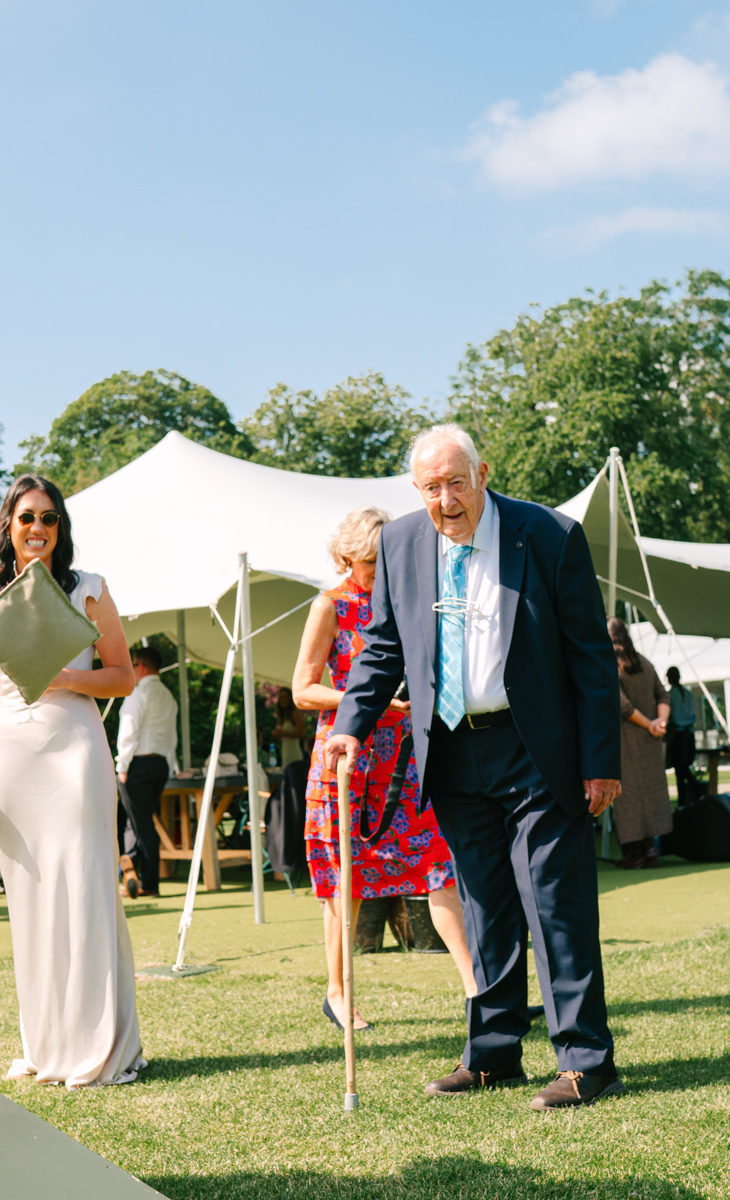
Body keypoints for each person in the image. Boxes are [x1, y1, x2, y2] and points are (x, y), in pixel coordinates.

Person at [323, 424, 625, 1112]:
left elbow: (589, 657)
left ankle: (586, 1061)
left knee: (555, 903)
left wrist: (600, 760)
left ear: (483, 473)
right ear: (415, 491)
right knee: (485, 906)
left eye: (456, 482)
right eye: (431, 487)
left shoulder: (549, 535)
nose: (446, 499)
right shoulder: (400, 544)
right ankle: (492, 1056)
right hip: (453, 751)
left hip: (538, 750)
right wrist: (348, 726)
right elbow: (382, 649)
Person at [0, 474, 146, 1088]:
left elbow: (122, 676)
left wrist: (68, 679)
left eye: (49, 518)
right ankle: (45, 1044)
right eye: (26, 518)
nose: (37, 528)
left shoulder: (90, 590)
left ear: (60, 529)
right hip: (13, 759)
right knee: (32, 901)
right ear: (8, 527)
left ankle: (100, 1046)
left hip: (76, 752)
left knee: (87, 886)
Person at [294, 506, 478, 1032]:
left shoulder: (409, 599)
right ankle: (337, 994)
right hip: (346, 759)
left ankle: (477, 991)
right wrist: (367, 701)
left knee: (439, 865)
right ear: (346, 557)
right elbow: (302, 689)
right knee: (341, 880)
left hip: (405, 759)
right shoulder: (330, 605)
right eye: (372, 563)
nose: (382, 572)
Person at [610, 618, 673, 869]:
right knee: (651, 794)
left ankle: (634, 855)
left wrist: (649, 724)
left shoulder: (610, 665)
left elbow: (621, 706)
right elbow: (663, 694)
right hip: (651, 742)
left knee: (628, 798)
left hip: (626, 741)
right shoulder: (644, 662)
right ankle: (651, 849)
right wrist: (660, 722)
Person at [114, 643, 176, 899]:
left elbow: (129, 730)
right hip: (160, 763)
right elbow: (171, 737)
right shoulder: (168, 696)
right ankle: (132, 869)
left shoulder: (139, 694)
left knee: (141, 822)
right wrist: (169, 767)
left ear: (140, 666)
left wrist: (122, 765)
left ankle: (148, 882)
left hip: (138, 764)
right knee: (137, 819)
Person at [665, 665, 701, 804]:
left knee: (681, 769)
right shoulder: (688, 694)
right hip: (688, 734)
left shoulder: (671, 695)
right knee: (683, 768)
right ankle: (691, 796)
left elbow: (672, 717)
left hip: (679, 736)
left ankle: (687, 799)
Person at [268, 687, 309, 770]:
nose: (283, 700)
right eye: (281, 697)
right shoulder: (281, 717)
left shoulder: (294, 713)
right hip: (285, 753)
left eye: (286, 697)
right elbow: (282, 739)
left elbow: (301, 733)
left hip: (294, 754)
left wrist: (282, 733)